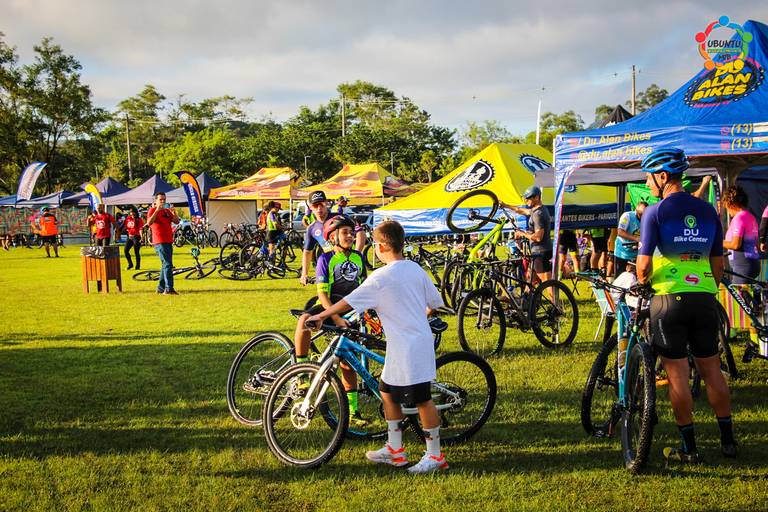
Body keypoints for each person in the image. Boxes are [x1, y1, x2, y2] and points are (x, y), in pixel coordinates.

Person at [306, 220, 447, 474]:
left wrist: (321, 316)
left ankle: (435, 456)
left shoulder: (381, 277)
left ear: (381, 246)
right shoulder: (415, 269)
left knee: (422, 400)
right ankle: (395, 450)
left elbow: (348, 302)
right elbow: (435, 303)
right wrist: (414, 315)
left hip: (410, 347)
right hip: (406, 344)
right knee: (387, 393)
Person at [635, 147, 736, 464]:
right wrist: (705, 287)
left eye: (649, 178)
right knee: (713, 371)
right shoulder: (708, 210)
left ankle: (689, 449)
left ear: (663, 176)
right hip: (705, 297)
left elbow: (642, 266)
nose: (647, 184)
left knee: (678, 375)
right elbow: (718, 266)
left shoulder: (655, 212)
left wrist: (645, 280)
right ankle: (728, 441)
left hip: (668, 299)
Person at [293, 215, 368, 424]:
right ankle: (301, 373)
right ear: (332, 237)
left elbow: (364, 287)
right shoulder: (325, 259)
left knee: (347, 362)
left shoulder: (358, 257)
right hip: (328, 306)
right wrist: (335, 317)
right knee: (305, 320)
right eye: (345, 233)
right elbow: (323, 295)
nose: (350, 236)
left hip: (349, 310)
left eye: (351, 233)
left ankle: (353, 411)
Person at [505, 185, 552, 284]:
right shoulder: (538, 209)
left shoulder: (538, 214)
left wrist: (522, 234)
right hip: (539, 251)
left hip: (540, 252)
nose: (526, 201)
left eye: (528, 198)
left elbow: (538, 237)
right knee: (530, 280)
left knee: (547, 283)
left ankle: (555, 295)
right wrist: (505, 205)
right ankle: (527, 295)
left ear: (537, 197)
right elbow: (521, 210)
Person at [721, 186, 759, 283]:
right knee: (746, 293)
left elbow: (735, 244)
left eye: (726, 207)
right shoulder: (750, 216)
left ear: (731, 203)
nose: (728, 211)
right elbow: (756, 243)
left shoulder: (739, 218)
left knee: (737, 292)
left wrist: (717, 242)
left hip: (743, 265)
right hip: (752, 262)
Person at [146, 192, 180, 295]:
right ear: (156, 201)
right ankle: (169, 289)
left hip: (168, 240)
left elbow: (176, 221)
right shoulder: (152, 210)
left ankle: (160, 288)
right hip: (159, 241)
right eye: (160, 199)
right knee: (168, 264)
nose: (163, 201)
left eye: (164, 199)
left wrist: (174, 212)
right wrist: (157, 210)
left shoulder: (166, 211)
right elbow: (149, 223)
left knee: (165, 265)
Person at [300, 191, 335, 285]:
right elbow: (307, 252)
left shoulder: (338, 218)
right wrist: (304, 274)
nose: (319, 208)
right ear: (310, 207)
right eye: (315, 205)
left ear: (326, 203)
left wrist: (357, 252)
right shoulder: (312, 228)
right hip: (328, 267)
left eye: (321, 204)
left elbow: (360, 233)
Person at [614, 202, 647, 277]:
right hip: (622, 252)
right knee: (620, 277)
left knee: (637, 277)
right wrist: (636, 238)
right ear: (636, 211)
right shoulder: (627, 216)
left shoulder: (648, 218)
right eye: (641, 215)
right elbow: (620, 232)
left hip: (637, 253)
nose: (642, 217)